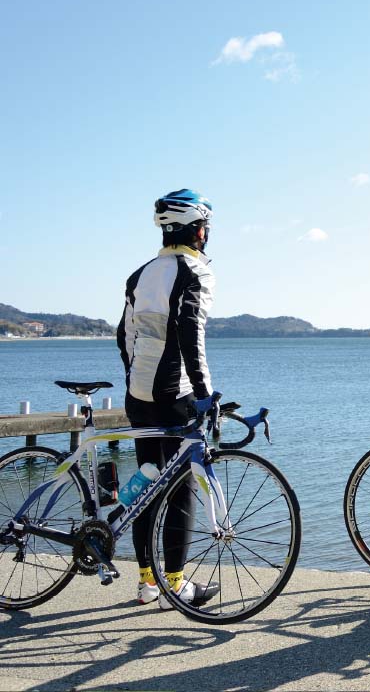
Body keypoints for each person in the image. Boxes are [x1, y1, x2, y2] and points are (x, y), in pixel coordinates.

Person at [115, 189, 220, 608]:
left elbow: (123, 337)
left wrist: (133, 378)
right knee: (179, 490)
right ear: (198, 231)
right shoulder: (195, 272)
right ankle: (175, 585)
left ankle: (147, 584)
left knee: (145, 482)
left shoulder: (140, 273)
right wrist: (205, 392)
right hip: (175, 394)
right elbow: (189, 334)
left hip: (138, 394)